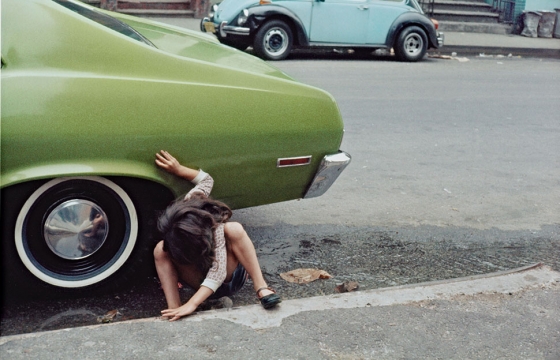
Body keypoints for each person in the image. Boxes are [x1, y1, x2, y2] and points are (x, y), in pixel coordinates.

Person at [153, 150, 281, 321]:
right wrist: (178, 170)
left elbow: (218, 274)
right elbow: (206, 180)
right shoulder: (190, 203)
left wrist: (192, 304)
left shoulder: (216, 229)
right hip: (197, 280)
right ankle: (174, 307)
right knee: (160, 249)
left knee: (234, 229)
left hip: (227, 280)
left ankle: (261, 287)